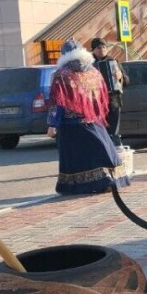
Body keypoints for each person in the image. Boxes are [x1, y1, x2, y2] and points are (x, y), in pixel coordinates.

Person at [47, 40, 130, 195]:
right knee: (100, 151)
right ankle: (110, 179)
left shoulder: (62, 74)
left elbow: (57, 101)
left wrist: (53, 124)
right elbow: (103, 94)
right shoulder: (93, 71)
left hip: (70, 124)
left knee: (76, 158)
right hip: (94, 120)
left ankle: (79, 186)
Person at [90, 38, 124, 146]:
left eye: (104, 47)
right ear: (93, 50)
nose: (102, 50)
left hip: (113, 99)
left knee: (114, 128)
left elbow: (126, 80)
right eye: (99, 48)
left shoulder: (113, 61)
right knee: (101, 127)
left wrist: (120, 76)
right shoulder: (89, 63)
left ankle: (115, 145)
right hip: (97, 100)